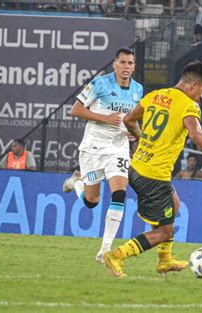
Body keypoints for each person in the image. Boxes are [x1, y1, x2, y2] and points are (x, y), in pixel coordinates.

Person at [103, 61, 202, 277]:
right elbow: (196, 135)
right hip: (154, 176)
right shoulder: (188, 105)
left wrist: (141, 138)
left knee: (174, 204)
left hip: (137, 166)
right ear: (193, 85)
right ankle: (116, 255)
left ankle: (164, 260)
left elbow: (129, 119)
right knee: (164, 231)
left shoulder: (155, 95)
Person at [62, 48, 143, 263]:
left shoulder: (138, 89)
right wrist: (104, 118)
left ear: (134, 67)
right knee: (92, 201)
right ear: (115, 64)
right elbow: (76, 110)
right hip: (93, 148)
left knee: (119, 193)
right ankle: (76, 182)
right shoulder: (100, 83)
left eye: (130, 63)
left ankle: (105, 249)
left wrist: (134, 133)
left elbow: (132, 119)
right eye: (123, 62)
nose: (127, 67)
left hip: (118, 148)